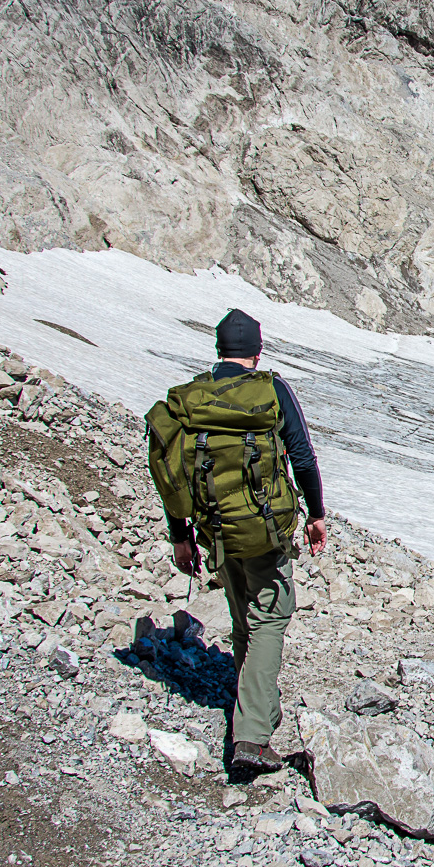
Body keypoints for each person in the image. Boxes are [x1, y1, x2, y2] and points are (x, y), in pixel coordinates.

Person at [165, 309, 327, 773]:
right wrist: (315, 514)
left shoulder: (193, 397)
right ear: (258, 351)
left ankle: (251, 707)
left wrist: (181, 538)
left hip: (215, 530)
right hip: (265, 530)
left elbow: (173, 474)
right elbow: (303, 457)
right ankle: (252, 736)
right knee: (270, 620)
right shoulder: (272, 390)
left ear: (219, 350)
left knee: (244, 622)